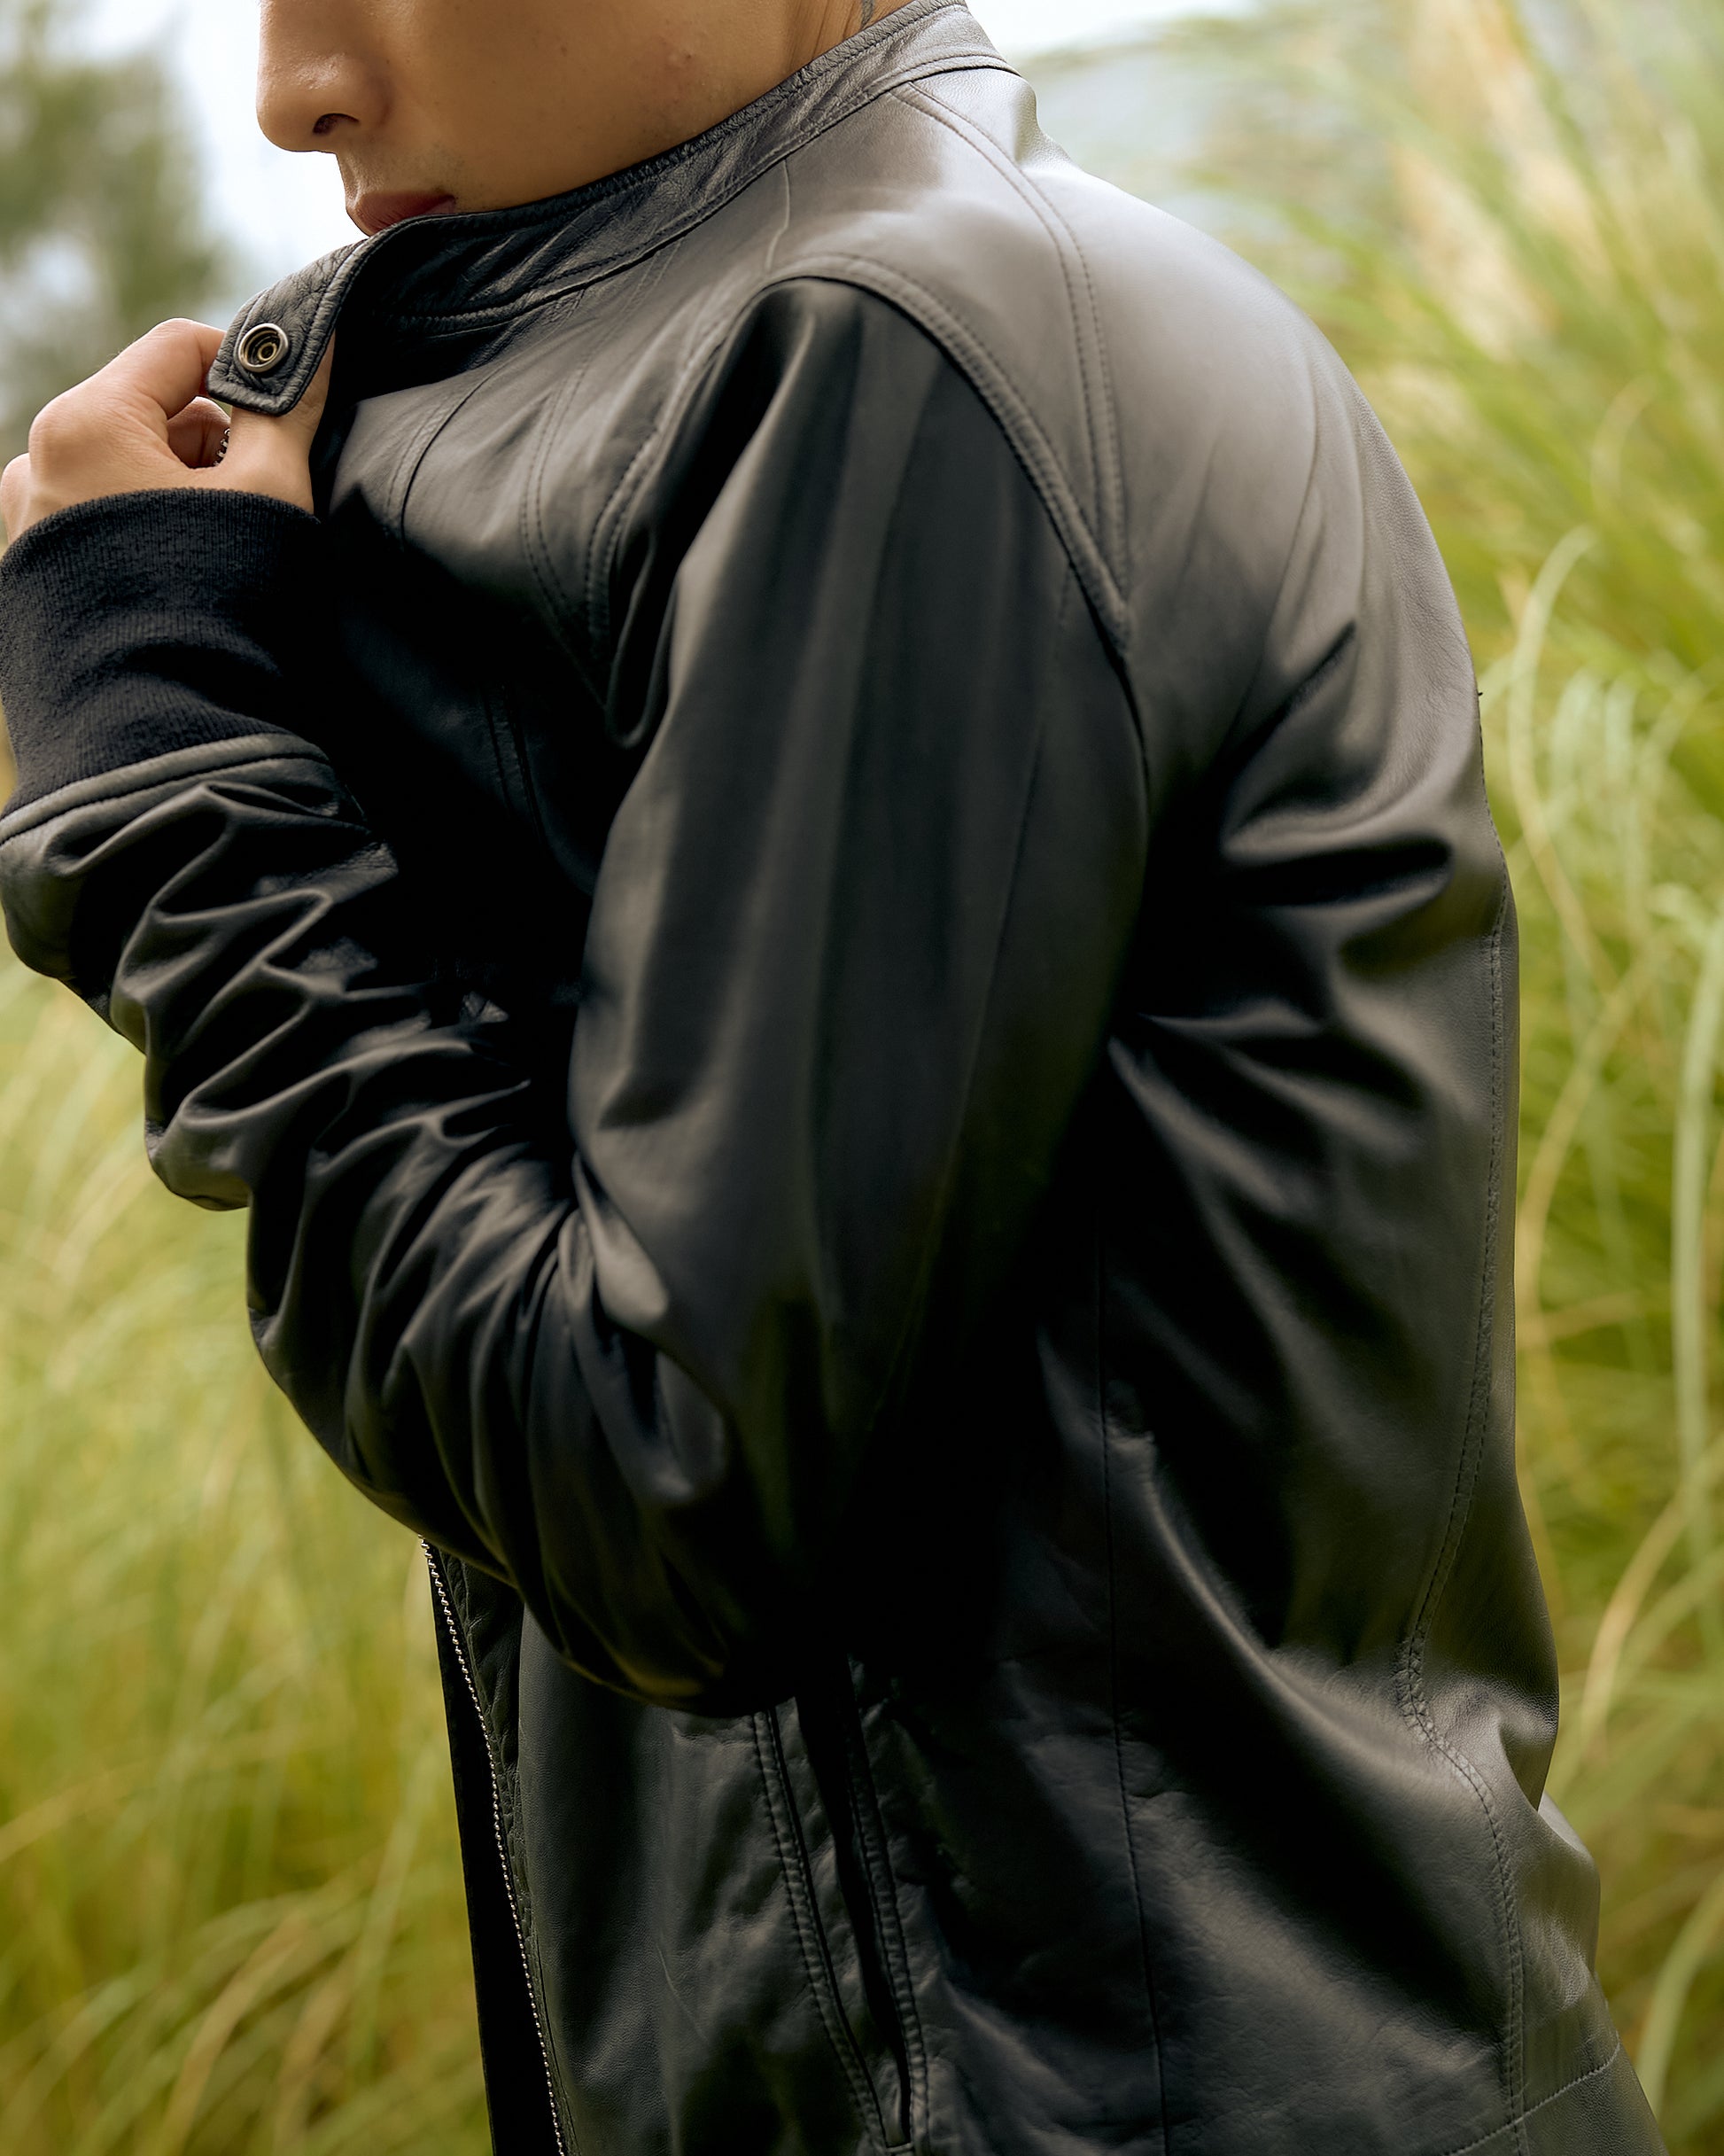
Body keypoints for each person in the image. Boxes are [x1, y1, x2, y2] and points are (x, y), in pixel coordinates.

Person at [0, 1, 1667, 2151]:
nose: (292, 85)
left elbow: (662, 1489)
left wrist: (166, 765)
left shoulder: (899, 353)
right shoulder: (851, 353)